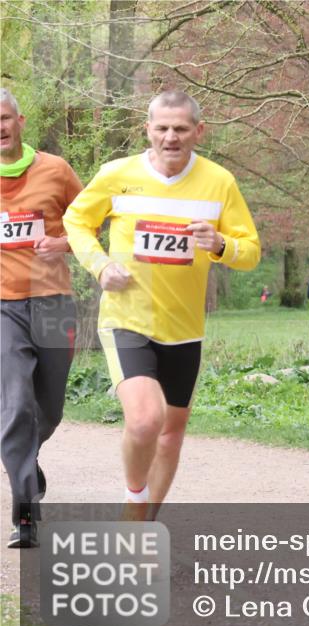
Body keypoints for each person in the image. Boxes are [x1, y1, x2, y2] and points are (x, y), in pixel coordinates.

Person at [64, 91, 260, 518]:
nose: (171, 137)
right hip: (127, 318)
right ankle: (135, 499)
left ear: (198, 132)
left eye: (181, 129)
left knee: (171, 434)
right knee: (145, 421)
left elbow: (251, 251)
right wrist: (99, 265)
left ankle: (144, 524)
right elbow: (76, 220)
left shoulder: (219, 182)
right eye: (162, 128)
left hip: (185, 327)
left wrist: (222, 244)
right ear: (147, 129)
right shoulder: (117, 174)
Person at [0, 88, 83, 547]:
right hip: (2, 307)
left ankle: (25, 459)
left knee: (46, 410)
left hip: (52, 301)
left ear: (20, 120)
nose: (0, 127)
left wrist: (65, 243)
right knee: (14, 406)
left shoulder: (55, 170)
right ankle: (25, 512)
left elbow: (92, 219)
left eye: (4, 117)